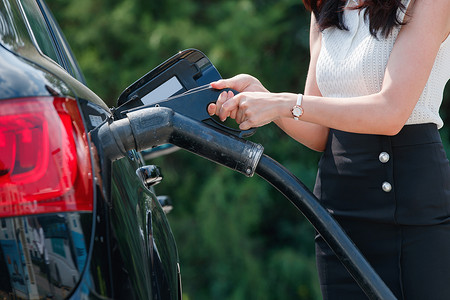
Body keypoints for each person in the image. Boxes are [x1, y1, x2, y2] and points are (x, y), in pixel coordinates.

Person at [207, 0, 450, 299]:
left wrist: (283, 103)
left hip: (409, 209)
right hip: (338, 210)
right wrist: (263, 97)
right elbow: (319, 131)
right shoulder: (326, 5)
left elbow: (391, 112)